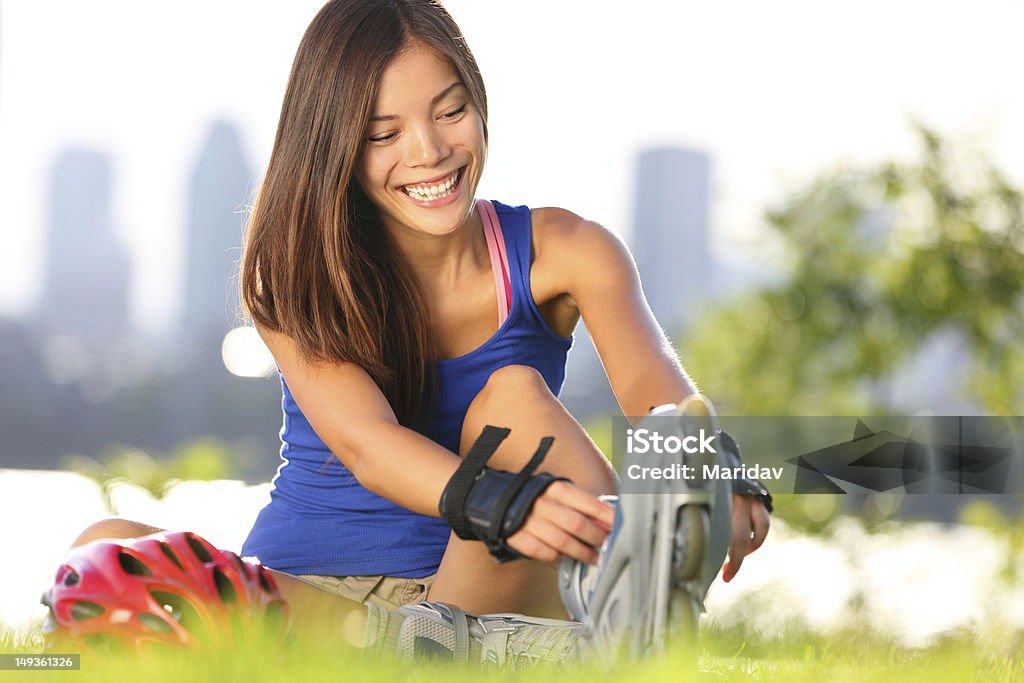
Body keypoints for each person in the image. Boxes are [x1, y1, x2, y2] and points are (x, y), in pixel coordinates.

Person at [68, 0, 771, 664]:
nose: (429, 150)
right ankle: (438, 656)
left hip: (475, 593)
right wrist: (505, 500)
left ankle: (512, 635)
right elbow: (366, 443)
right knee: (104, 552)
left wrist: (715, 484)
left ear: (479, 101)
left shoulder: (568, 250)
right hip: (310, 598)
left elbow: (658, 397)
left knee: (516, 399)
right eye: (384, 133)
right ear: (335, 144)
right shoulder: (294, 272)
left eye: (451, 110)